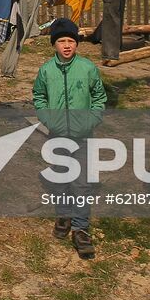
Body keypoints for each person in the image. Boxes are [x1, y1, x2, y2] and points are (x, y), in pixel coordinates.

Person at [33, 17, 108, 259]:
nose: (66, 45)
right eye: (61, 41)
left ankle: (81, 228)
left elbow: (99, 97)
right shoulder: (46, 70)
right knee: (62, 179)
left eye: (71, 41)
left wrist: (91, 120)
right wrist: (48, 119)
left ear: (77, 43)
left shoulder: (87, 68)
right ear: (54, 44)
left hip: (83, 136)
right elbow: (39, 97)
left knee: (82, 182)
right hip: (57, 136)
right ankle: (63, 215)